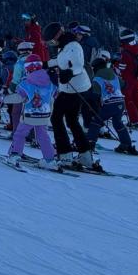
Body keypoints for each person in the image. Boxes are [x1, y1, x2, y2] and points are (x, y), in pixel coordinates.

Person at [44, 21, 99, 169]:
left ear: (57, 35)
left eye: (51, 40)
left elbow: (78, 66)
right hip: (72, 88)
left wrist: (69, 73)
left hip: (74, 89)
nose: (51, 43)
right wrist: (45, 64)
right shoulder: (65, 46)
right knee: (71, 121)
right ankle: (85, 156)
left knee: (56, 118)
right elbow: (60, 60)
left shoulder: (73, 46)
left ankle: (65, 155)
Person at [8, 56, 59, 170]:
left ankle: (15, 155)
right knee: (42, 135)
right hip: (44, 114)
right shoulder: (50, 81)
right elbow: (55, 93)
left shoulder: (26, 82)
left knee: (20, 134)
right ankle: (49, 159)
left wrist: (2, 98)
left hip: (30, 114)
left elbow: (19, 98)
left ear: (27, 68)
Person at [85, 51, 138, 155]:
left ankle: (89, 144)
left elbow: (95, 95)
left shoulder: (97, 78)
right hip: (121, 102)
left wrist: (86, 97)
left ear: (96, 68)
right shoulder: (114, 75)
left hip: (109, 104)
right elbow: (125, 85)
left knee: (96, 122)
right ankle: (126, 144)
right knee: (117, 123)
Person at [115, 31, 138, 128]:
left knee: (128, 100)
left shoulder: (125, 53)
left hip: (128, 81)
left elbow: (122, 68)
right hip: (137, 80)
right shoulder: (137, 49)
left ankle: (135, 121)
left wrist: (116, 63)